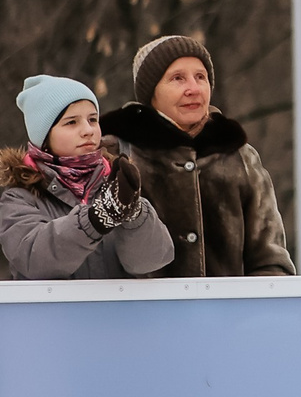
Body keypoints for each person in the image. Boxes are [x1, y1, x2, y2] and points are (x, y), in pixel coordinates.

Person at [99, 35, 294, 277]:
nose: (193, 89)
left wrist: (256, 314)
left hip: (231, 313)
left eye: (201, 77)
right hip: (144, 313)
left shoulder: (240, 157)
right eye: (177, 78)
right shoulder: (115, 155)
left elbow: (271, 262)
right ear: (151, 93)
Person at [0, 76, 174, 280]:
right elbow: (35, 260)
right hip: (53, 312)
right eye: (71, 122)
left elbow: (153, 260)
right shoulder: (18, 198)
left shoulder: (116, 183)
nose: (88, 130)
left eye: (93, 119)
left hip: (121, 312)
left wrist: (134, 214)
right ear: (44, 136)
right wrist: (96, 218)